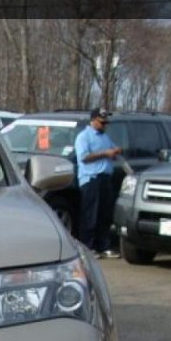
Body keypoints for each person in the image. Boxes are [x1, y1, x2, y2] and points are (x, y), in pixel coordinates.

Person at [74, 108, 122, 258]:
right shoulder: (84, 137)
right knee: (90, 215)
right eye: (102, 122)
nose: (104, 125)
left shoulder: (105, 137)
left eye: (106, 123)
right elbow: (84, 157)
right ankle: (88, 247)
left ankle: (104, 246)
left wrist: (114, 153)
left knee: (104, 215)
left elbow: (111, 151)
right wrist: (105, 154)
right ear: (93, 120)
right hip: (91, 179)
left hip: (105, 178)